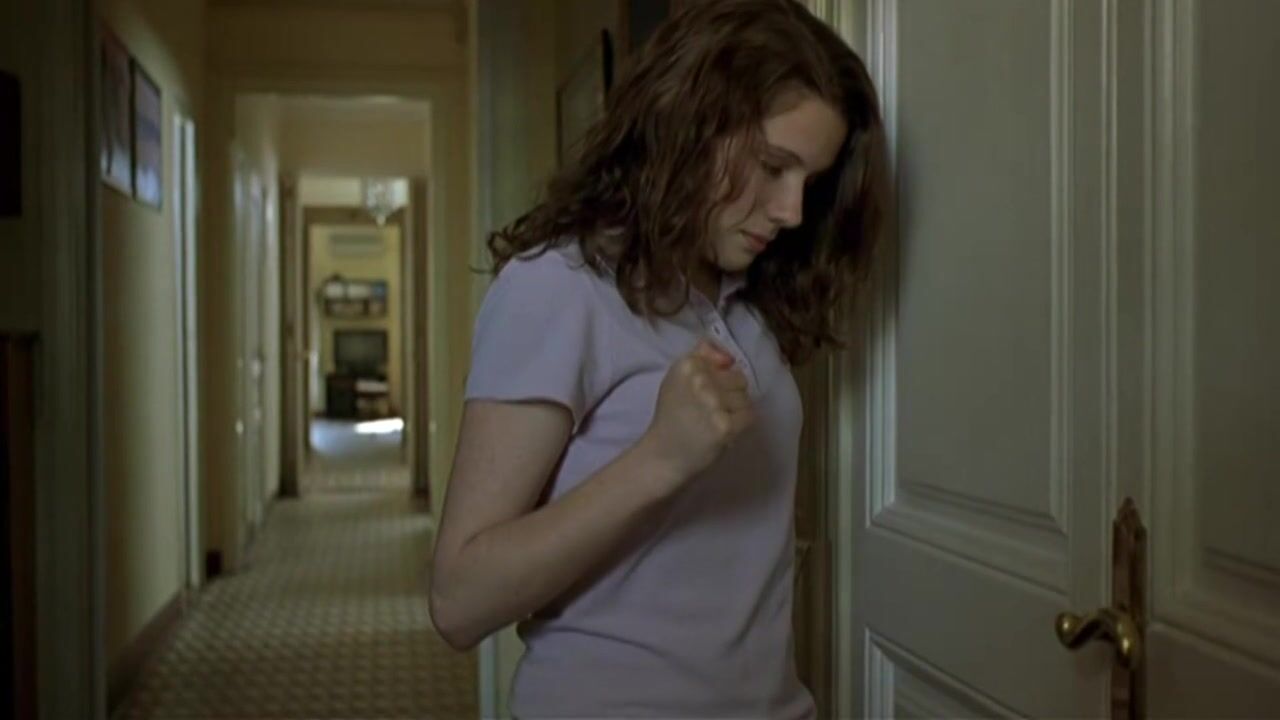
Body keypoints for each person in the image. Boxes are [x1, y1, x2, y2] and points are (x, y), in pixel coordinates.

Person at [429, 0, 887, 716]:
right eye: (774, 166)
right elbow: (459, 602)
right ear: (689, 127)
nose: (793, 211)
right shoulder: (558, 286)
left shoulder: (749, 302)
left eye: (812, 181)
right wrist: (659, 459)